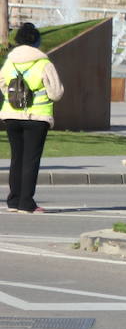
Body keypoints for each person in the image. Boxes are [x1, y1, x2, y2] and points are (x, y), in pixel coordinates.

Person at [2, 22, 64, 213]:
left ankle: (13, 201)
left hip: (11, 115)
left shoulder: (10, 62)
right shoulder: (44, 63)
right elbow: (56, 93)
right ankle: (26, 203)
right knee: (30, 160)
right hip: (37, 117)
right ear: (37, 40)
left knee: (17, 158)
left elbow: (3, 85)